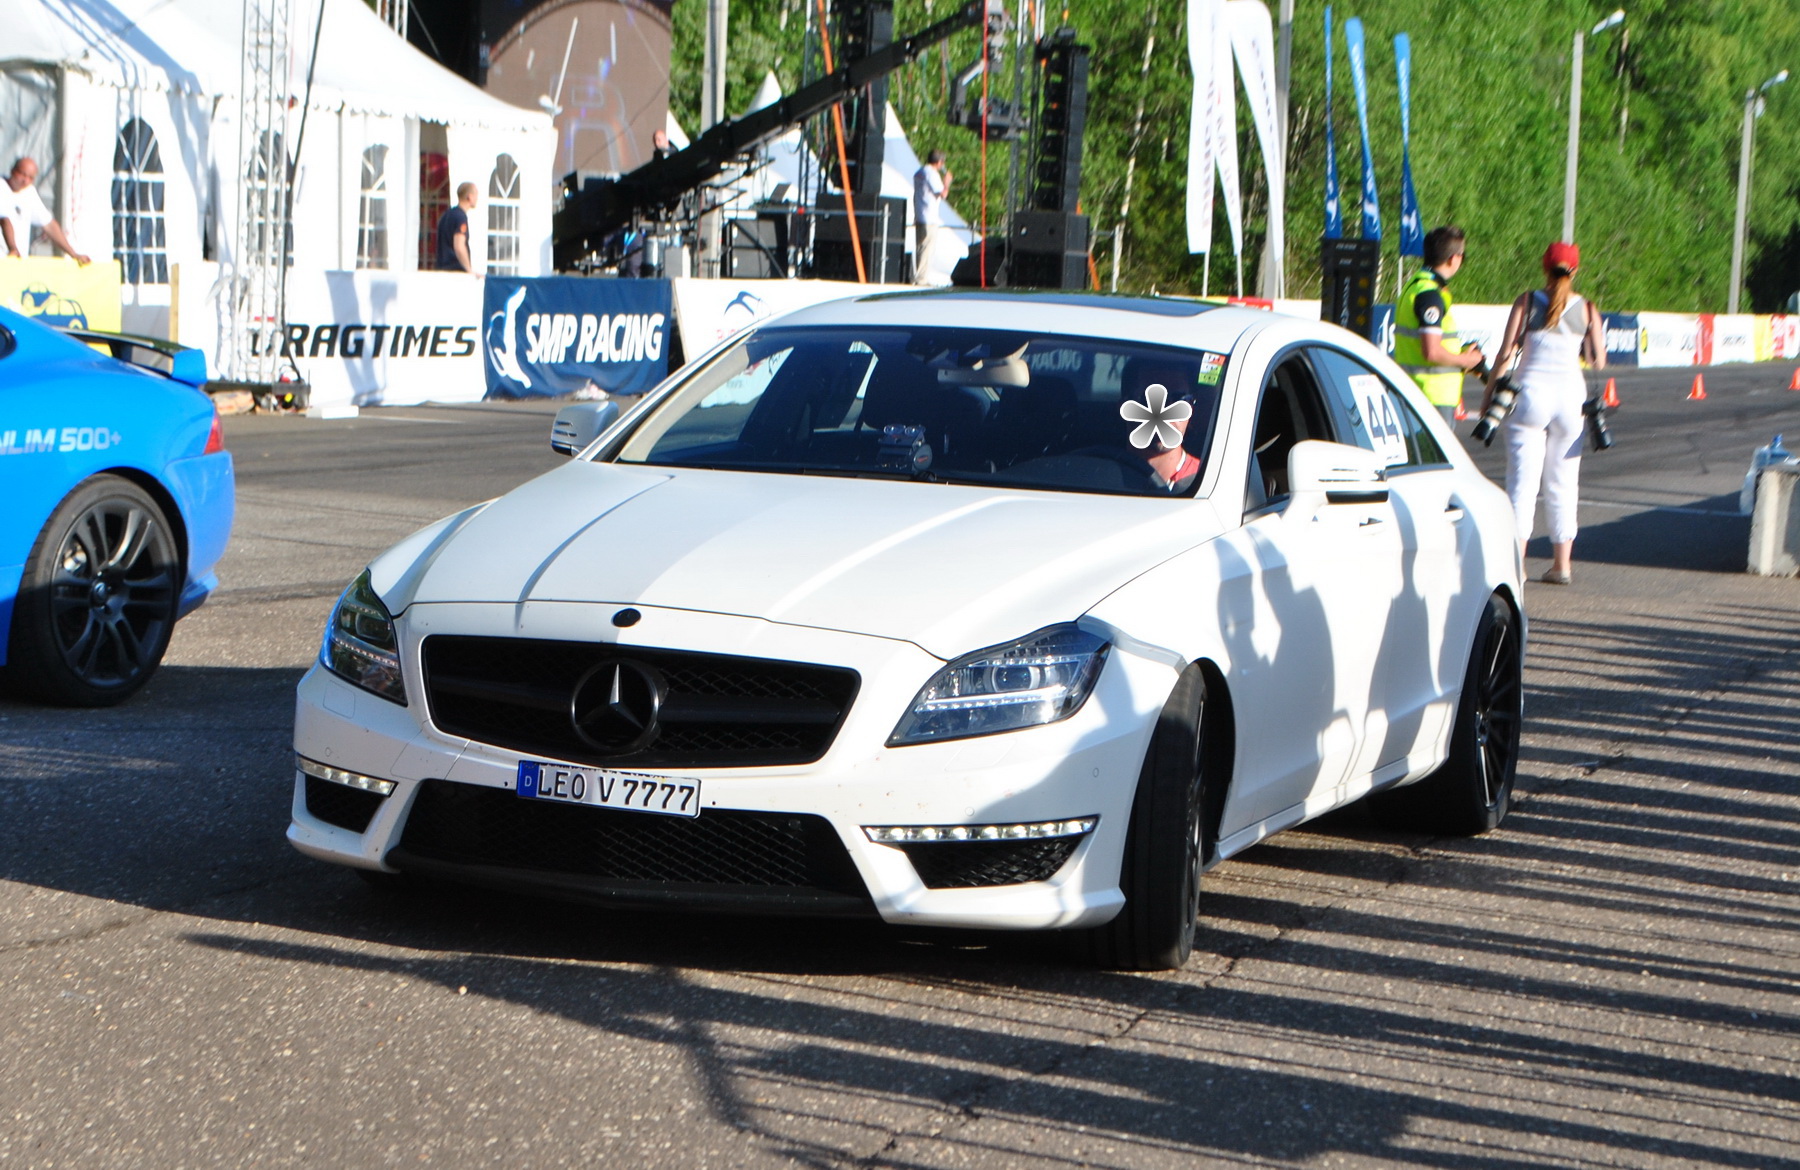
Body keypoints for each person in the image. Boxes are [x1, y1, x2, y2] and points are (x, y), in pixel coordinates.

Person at [1481, 241, 1606, 586]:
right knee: (1564, 483)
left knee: (1521, 483)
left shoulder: (1526, 301)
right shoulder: (1588, 308)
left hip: (1530, 396)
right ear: (1575, 271)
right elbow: (1598, 360)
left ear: (1544, 267)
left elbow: (1505, 354)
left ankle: (1517, 565)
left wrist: (1489, 395)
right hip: (1571, 400)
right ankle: (1561, 564)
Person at [1394, 225, 1485, 424]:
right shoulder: (1430, 294)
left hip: (1415, 392)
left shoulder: (1414, 286)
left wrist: (1460, 352)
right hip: (1432, 396)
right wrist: (1465, 360)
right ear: (1453, 259)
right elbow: (1432, 351)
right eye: (1462, 256)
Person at [1, 157, 90, 264]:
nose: (25, 180)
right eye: (22, 174)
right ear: (12, 171)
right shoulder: (2, 187)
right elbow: (4, 220)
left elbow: (49, 225)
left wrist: (73, 254)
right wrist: (13, 248)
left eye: (30, 177)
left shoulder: (29, 192)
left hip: (17, 261)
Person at [911, 149, 951, 286]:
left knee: (921, 247)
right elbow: (942, 193)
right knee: (927, 249)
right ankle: (921, 279)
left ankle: (918, 276)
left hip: (920, 214)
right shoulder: (932, 174)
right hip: (929, 216)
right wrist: (947, 182)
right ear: (939, 162)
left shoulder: (920, 172)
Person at [435, 182, 477, 273]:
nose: (477, 198)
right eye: (476, 195)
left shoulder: (446, 215)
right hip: (455, 270)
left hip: (441, 268)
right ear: (469, 197)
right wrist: (469, 270)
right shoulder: (461, 217)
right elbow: (459, 246)